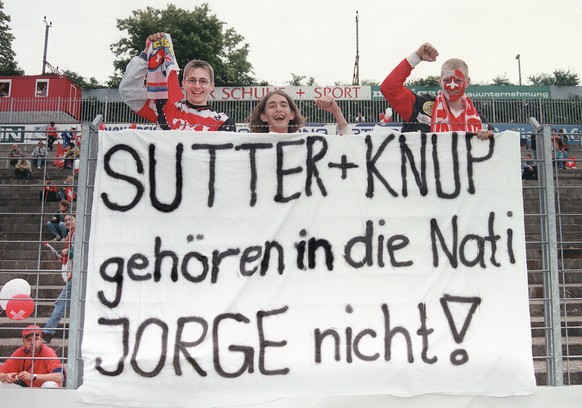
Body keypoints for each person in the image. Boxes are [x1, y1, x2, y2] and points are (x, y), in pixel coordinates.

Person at [120, 32, 235, 131]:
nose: (197, 86)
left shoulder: (224, 122)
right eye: (192, 80)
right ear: (183, 84)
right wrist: (146, 53)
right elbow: (128, 91)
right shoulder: (165, 107)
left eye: (203, 81)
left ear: (211, 86)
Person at [380, 42, 493, 140]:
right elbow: (389, 88)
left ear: (467, 82)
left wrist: (487, 137)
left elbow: (496, 150)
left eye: (458, 80)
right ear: (439, 82)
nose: (452, 86)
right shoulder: (420, 107)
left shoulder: (479, 121)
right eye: (447, 80)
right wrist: (417, 57)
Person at [247, 90, 352, 135]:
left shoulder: (308, 144)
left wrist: (337, 112)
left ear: (291, 115)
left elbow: (351, 147)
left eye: (283, 105)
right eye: (272, 106)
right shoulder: (251, 147)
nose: (278, 109)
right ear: (264, 117)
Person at [43, 214, 75, 344]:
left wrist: (69, 252)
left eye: (70, 219)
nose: (68, 222)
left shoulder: (76, 233)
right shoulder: (70, 234)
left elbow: (81, 250)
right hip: (73, 274)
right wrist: (63, 256)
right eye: (66, 220)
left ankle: (48, 331)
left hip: (75, 276)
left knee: (60, 303)